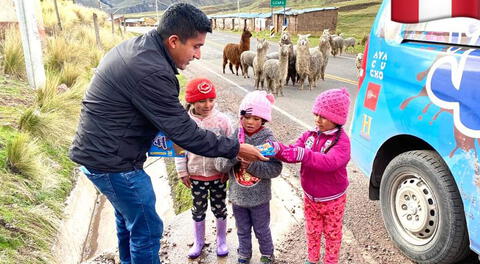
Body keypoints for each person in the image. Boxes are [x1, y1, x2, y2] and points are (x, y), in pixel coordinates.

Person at [69, 3, 266, 264]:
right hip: (113, 162)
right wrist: (237, 148)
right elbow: (186, 134)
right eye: (195, 46)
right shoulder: (150, 71)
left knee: (129, 220)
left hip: (101, 153)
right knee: (148, 228)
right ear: (173, 41)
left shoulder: (139, 50)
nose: (197, 55)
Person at [271, 87, 351, 264]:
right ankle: (312, 260)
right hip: (310, 198)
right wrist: (277, 149)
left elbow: (330, 162)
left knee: (332, 234)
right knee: (312, 231)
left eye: (323, 116)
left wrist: (304, 154)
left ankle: (330, 261)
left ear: (337, 118)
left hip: (333, 200)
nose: (317, 119)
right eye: (316, 114)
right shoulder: (310, 135)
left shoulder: (342, 141)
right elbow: (293, 151)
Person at [215, 91, 282, 264]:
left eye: (256, 118)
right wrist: (235, 155)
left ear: (264, 120)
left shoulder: (267, 139)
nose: (250, 122)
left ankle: (267, 254)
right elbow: (220, 164)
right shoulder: (235, 136)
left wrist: (252, 165)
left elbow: (275, 169)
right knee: (242, 229)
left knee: (261, 229)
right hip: (238, 198)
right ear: (241, 116)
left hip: (260, 199)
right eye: (247, 117)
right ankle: (244, 254)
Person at [174, 78, 232, 259]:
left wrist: (227, 169)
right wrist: (182, 171)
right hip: (196, 176)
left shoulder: (222, 121)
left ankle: (221, 239)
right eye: (201, 101)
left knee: (219, 207)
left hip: (218, 176)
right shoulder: (184, 122)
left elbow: (231, 147)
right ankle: (199, 241)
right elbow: (179, 149)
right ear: (191, 101)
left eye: (211, 100)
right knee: (198, 209)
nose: (207, 105)